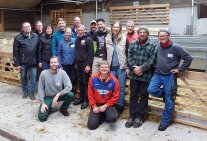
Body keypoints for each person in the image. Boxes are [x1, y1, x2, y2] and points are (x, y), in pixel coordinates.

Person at [147, 29, 193, 131]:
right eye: (160, 36)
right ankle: (167, 95)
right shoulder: (157, 46)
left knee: (169, 100)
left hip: (169, 76)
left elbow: (188, 58)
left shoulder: (176, 47)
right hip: (158, 74)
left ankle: (165, 122)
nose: (162, 37)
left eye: (164, 35)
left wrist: (180, 69)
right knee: (151, 90)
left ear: (168, 36)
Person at [125, 27, 157, 128]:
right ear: (138, 34)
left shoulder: (153, 45)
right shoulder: (133, 44)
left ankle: (140, 117)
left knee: (143, 96)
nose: (142, 34)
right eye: (140, 32)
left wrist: (141, 69)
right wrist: (135, 68)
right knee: (133, 95)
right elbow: (129, 56)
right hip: (134, 75)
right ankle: (132, 116)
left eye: (144, 32)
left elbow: (152, 60)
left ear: (148, 34)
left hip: (146, 75)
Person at [38, 56, 74, 122]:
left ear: (58, 63)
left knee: (70, 95)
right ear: (49, 64)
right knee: (42, 117)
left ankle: (63, 109)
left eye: (55, 62)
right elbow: (40, 89)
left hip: (58, 96)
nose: (53, 64)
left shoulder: (62, 73)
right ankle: (50, 108)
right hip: (48, 97)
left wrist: (58, 95)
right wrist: (42, 103)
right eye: (52, 62)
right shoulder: (43, 73)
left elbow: (69, 86)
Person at [87, 61, 120, 130]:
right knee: (91, 126)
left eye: (106, 67)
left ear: (109, 69)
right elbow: (90, 94)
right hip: (97, 104)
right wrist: (94, 106)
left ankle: (105, 114)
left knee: (112, 118)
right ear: (99, 68)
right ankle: (101, 114)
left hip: (108, 104)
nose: (104, 69)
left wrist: (106, 105)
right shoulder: (93, 78)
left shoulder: (114, 80)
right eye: (102, 67)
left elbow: (115, 97)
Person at [105, 21, 127, 115]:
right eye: (114, 27)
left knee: (121, 88)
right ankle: (112, 104)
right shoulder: (107, 38)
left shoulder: (124, 38)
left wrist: (128, 67)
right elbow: (105, 52)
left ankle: (120, 105)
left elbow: (128, 53)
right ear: (111, 27)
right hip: (111, 67)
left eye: (118, 27)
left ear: (120, 29)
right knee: (111, 87)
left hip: (121, 67)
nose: (116, 29)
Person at [13, 22, 39, 100]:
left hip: (33, 62)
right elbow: (15, 52)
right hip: (23, 62)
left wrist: (38, 60)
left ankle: (31, 93)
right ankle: (25, 92)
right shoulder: (18, 38)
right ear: (22, 28)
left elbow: (38, 49)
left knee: (33, 77)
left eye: (28, 26)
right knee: (24, 77)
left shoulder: (35, 36)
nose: (27, 28)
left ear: (31, 27)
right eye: (25, 27)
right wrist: (17, 64)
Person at [73, 24, 93, 109]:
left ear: (84, 30)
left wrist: (88, 65)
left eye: (81, 30)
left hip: (85, 64)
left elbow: (91, 53)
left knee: (85, 82)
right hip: (78, 64)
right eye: (78, 30)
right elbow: (76, 52)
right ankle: (81, 98)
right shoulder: (77, 40)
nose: (80, 32)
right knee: (80, 81)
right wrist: (76, 63)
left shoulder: (88, 39)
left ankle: (86, 100)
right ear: (76, 31)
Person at [57, 27, 76, 94]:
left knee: (72, 80)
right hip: (64, 65)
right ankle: (64, 94)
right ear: (64, 34)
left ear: (71, 33)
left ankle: (71, 94)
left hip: (73, 65)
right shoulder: (61, 43)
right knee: (64, 81)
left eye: (70, 32)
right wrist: (59, 65)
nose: (68, 34)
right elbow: (58, 54)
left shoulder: (74, 41)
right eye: (67, 32)